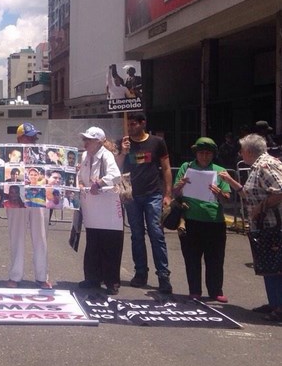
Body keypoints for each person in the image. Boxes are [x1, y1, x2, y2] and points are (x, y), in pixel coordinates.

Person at [218, 134, 282, 320]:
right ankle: (274, 303)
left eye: (241, 150)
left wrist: (259, 209)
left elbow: (279, 190)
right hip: (264, 227)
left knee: (276, 267)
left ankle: (279, 308)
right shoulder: (257, 166)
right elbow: (248, 193)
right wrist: (230, 181)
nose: (240, 153)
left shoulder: (265, 165)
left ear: (248, 151)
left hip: (273, 225)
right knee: (268, 266)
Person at [116, 112, 173, 294]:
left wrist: (168, 194)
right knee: (137, 235)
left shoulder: (157, 142)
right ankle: (140, 272)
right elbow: (116, 168)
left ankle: (163, 276)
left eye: (134, 124)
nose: (131, 127)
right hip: (132, 196)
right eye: (129, 124)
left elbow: (166, 168)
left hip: (153, 195)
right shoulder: (123, 142)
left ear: (143, 123)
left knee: (156, 234)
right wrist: (123, 152)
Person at [173, 137, 231, 302]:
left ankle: (215, 291)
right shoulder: (186, 167)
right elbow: (175, 193)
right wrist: (180, 185)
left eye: (208, 153)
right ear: (196, 154)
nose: (204, 156)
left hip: (215, 222)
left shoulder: (220, 171)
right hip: (191, 220)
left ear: (213, 155)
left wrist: (219, 192)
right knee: (191, 257)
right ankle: (195, 290)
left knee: (215, 258)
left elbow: (227, 199)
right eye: (201, 153)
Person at [77, 127, 123, 295]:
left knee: (110, 243)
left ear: (99, 142)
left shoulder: (106, 155)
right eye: (85, 139)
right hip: (92, 206)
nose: (85, 142)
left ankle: (112, 281)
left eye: (89, 139)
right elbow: (81, 176)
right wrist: (81, 184)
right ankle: (92, 277)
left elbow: (115, 175)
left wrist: (100, 183)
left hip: (108, 206)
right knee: (93, 243)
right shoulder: (84, 156)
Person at [5, 123, 52, 289]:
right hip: (17, 198)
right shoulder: (9, 154)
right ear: (19, 138)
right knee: (16, 236)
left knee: (40, 236)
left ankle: (42, 276)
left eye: (34, 137)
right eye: (29, 136)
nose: (33, 139)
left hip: (38, 198)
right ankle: (15, 276)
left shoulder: (42, 153)